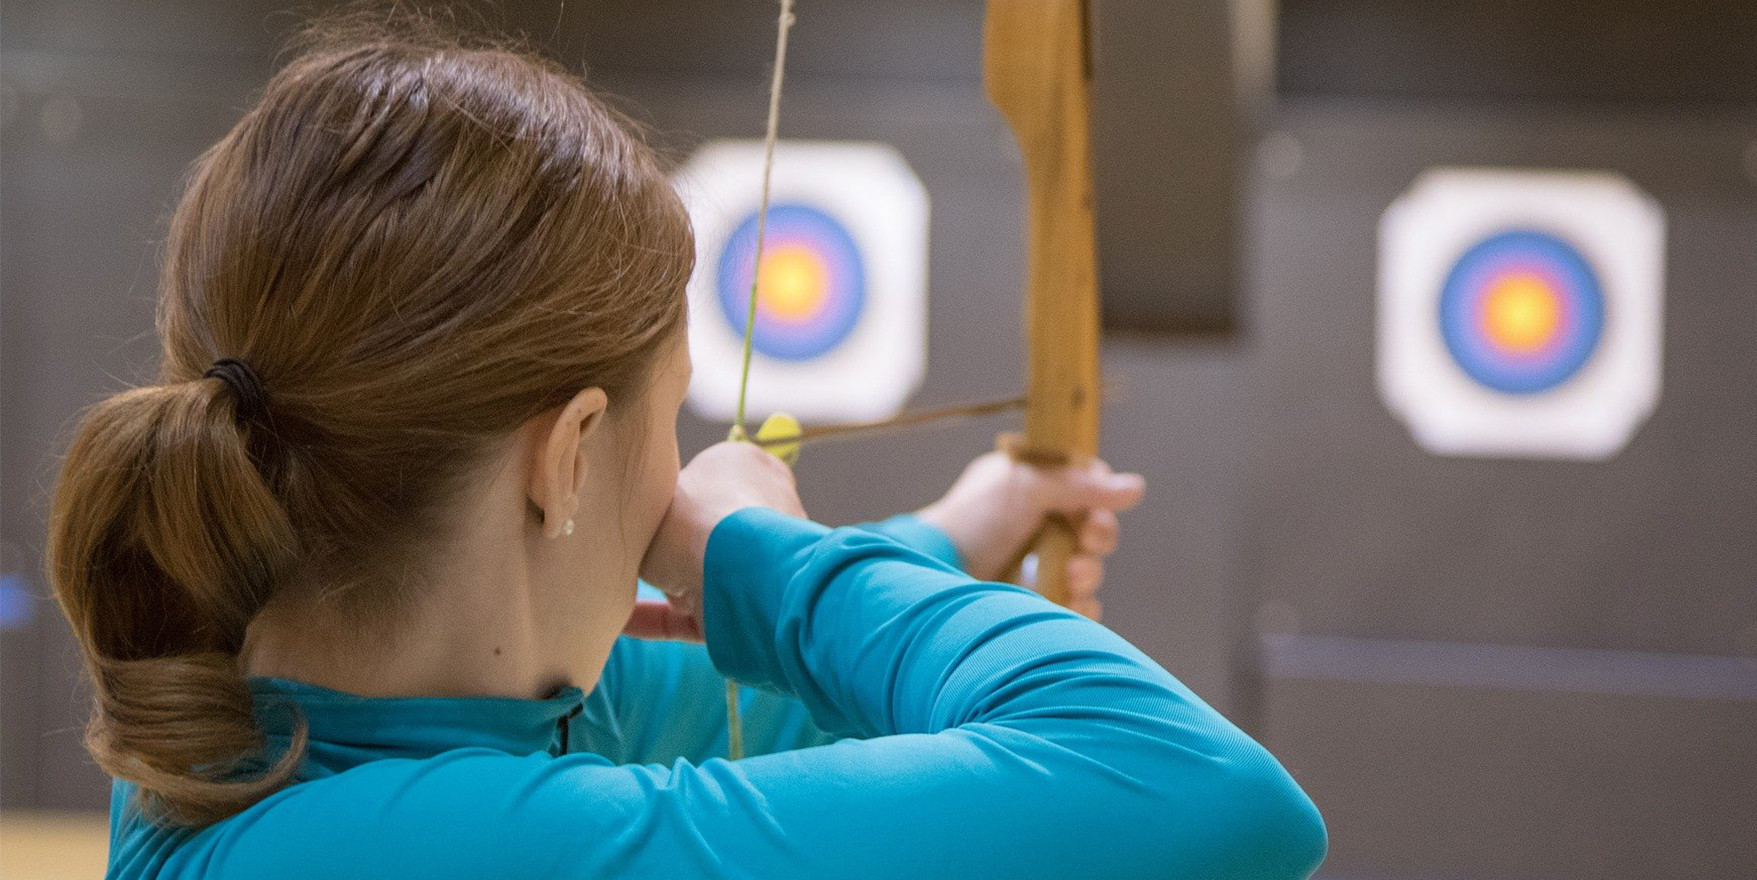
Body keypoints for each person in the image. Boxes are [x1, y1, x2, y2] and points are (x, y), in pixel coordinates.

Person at [43, 13, 1325, 880]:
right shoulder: (445, 846)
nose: (682, 471)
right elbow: (1208, 791)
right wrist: (762, 553)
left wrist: (950, 539)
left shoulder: (245, 724)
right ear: (568, 456)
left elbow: (703, 693)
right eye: (675, 417)